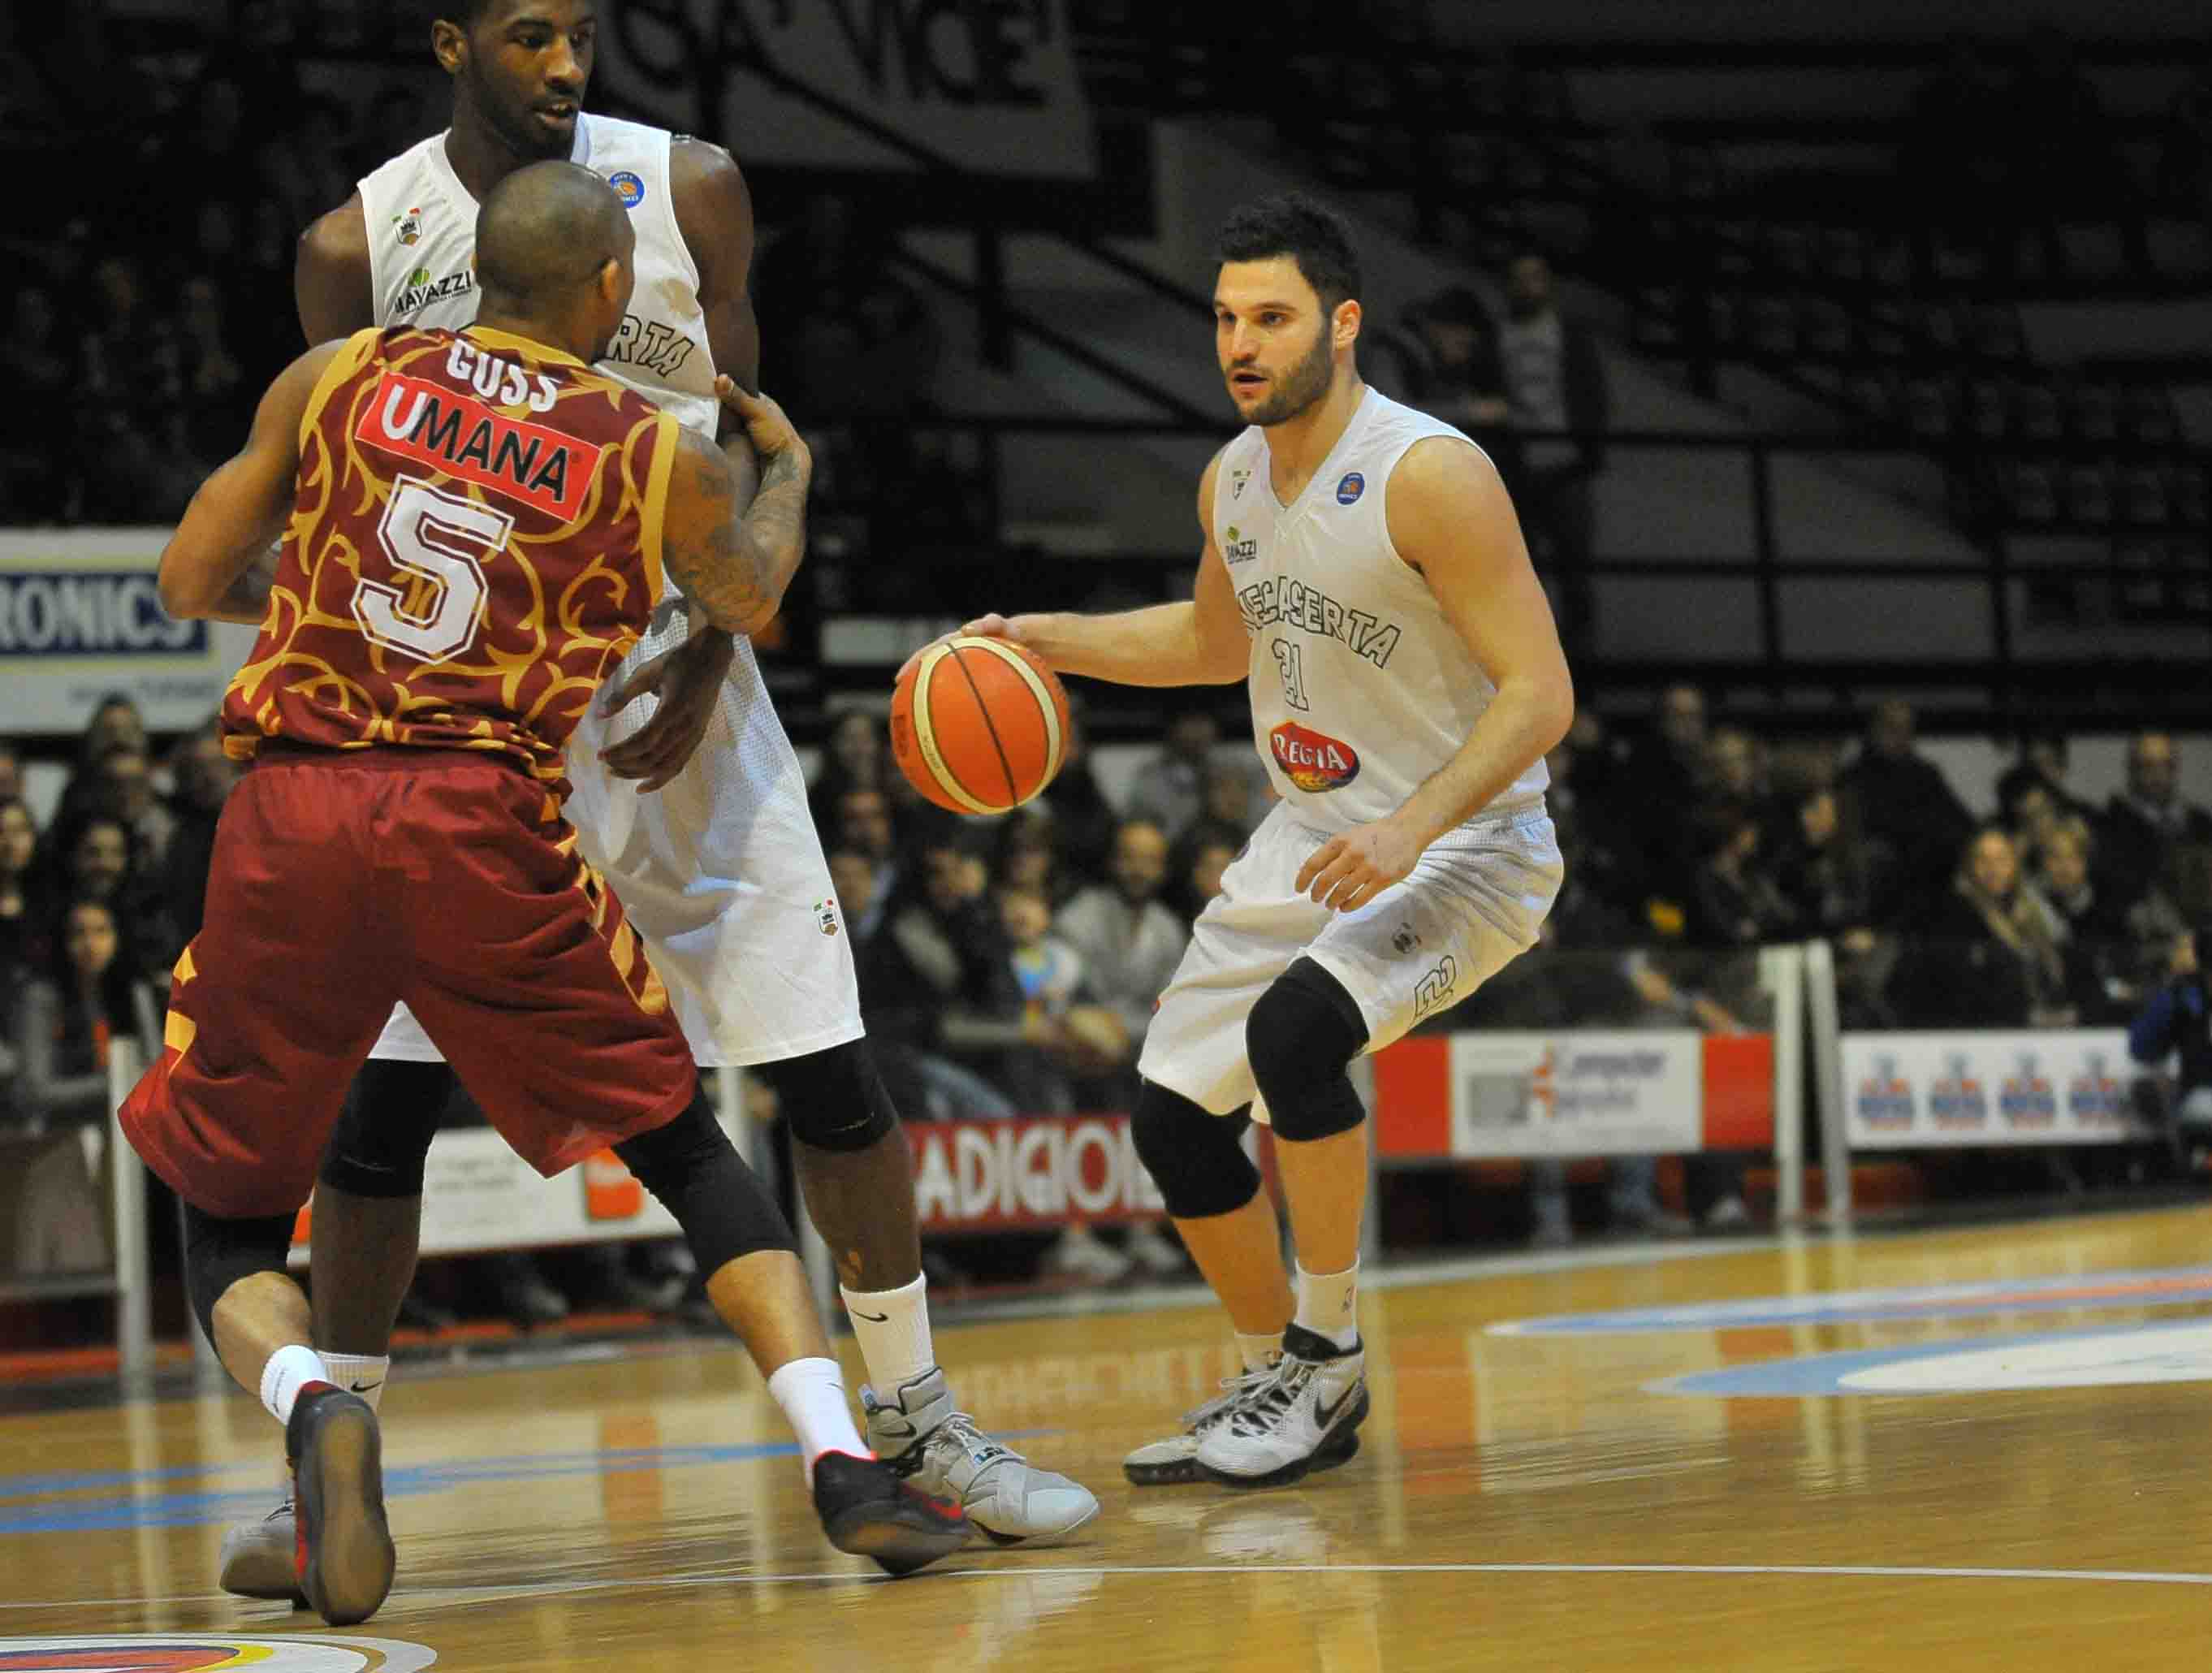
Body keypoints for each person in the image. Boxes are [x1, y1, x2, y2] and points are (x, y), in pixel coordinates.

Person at [225, 0, 1094, 1597]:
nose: (569, 68)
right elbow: (321, 487)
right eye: (535, 36)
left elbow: (755, 443)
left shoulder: (685, 187)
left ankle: (911, 1424)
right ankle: (322, 1475)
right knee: (384, 1113)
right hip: (473, 715)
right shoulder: (357, 244)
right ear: (449, 40)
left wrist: (710, 643)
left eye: (586, 36)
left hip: (692, 687)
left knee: (830, 1067)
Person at [122, 161, 967, 1626]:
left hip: (297, 807)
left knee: (228, 1199)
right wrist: (795, 482)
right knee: (691, 1155)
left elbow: (192, 575)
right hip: (477, 823)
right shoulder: (646, 449)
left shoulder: (341, 375)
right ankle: (847, 1460)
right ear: (604, 292)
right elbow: (750, 597)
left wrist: (336, 578)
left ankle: (316, 1397)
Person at [909, 194, 1570, 1487]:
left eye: (1269, 317)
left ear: (1343, 322)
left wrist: (1408, 826)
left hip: (1467, 842)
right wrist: (1045, 637)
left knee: (1295, 1039)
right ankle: (1287, 1375)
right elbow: (1217, 645)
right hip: (1313, 837)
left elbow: (1541, 691)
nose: (1241, 344)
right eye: (1224, 319)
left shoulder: (1432, 472)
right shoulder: (1230, 479)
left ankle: (1328, 1358)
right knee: (1169, 1117)